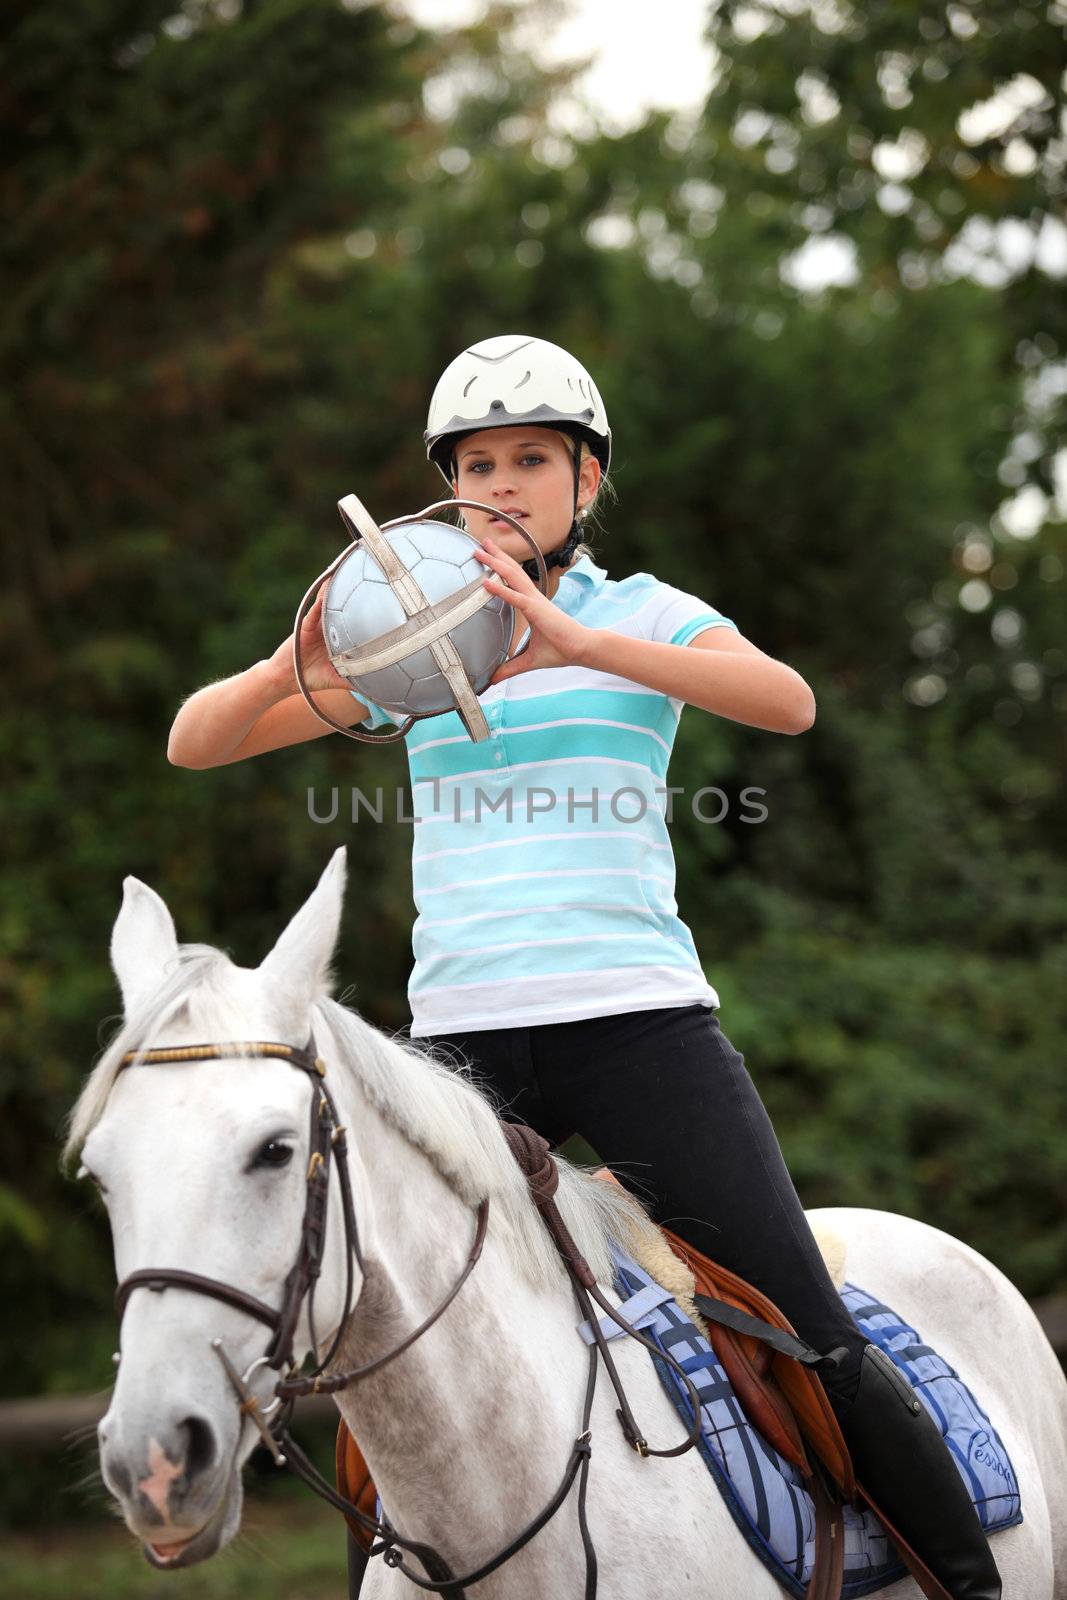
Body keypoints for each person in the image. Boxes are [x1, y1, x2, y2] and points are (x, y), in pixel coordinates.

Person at [168, 334, 1001, 1599]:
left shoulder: (640, 610)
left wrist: (572, 642)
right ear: (446, 489)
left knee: (803, 1328)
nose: (501, 484)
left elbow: (784, 702)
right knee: (381, 1364)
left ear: (584, 481)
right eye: (477, 463)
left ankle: (967, 1582)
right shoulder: (413, 654)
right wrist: (312, 650)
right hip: (457, 1052)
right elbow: (194, 742)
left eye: (531, 460)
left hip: (639, 1029)